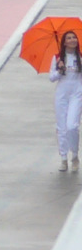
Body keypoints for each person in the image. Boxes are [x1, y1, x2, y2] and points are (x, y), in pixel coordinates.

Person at [52, 30, 82, 173]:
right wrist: (59, 69)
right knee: (62, 127)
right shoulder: (58, 57)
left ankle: (75, 156)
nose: (72, 40)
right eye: (69, 38)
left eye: (74, 37)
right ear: (64, 42)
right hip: (61, 95)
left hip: (77, 94)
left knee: (72, 126)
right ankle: (64, 158)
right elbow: (51, 78)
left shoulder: (80, 57)